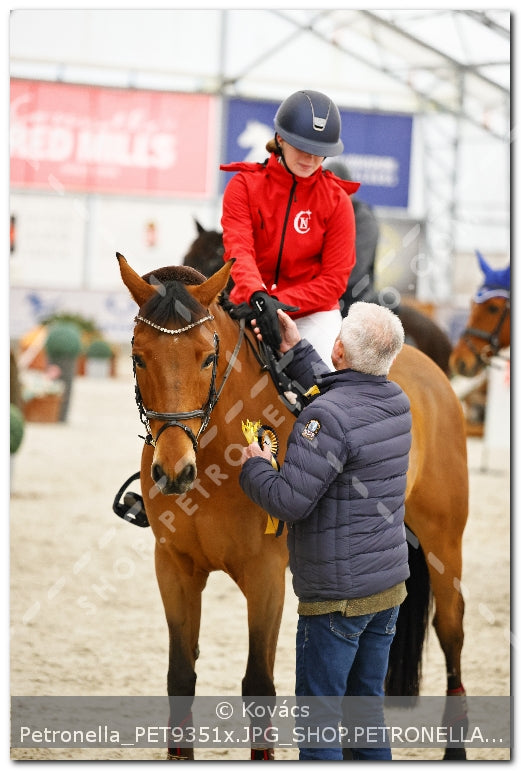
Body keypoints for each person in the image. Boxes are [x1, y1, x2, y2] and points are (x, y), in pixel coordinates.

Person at [239, 302, 412, 761]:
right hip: (387, 591)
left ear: (337, 348)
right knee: (366, 718)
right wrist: (298, 352)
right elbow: (346, 398)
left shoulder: (326, 418)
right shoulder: (397, 401)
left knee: (320, 730)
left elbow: (290, 501)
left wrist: (255, 467)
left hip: (336, 600)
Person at [220, 89, 361, 366]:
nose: (310, 160)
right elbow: (239, 250)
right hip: (248, 305)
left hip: (312, 315)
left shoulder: (337, 201)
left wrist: (276, 303)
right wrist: (259, 298)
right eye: (302, 148)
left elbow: (333, 281)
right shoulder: (243, 186)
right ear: (280, 138)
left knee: (328, 386)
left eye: (319, 153)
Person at [323, 159, 381, 314]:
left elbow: (353, 270)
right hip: (324, 296)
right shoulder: (320, 214)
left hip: (356, 302)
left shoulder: (363, 220)